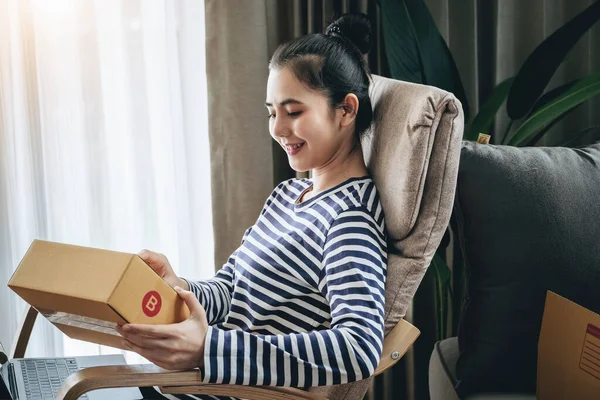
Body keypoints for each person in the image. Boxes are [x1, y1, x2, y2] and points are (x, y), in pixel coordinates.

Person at [116, 13, 387, 398]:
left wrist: (207, 348)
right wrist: (179, 287)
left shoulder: (349, 219)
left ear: (346, 110)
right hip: (188, 387)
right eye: (272, 112)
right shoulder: (286, 198)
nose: (277, 129)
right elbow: (230, 290)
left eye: (293, 112)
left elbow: (359, 349)